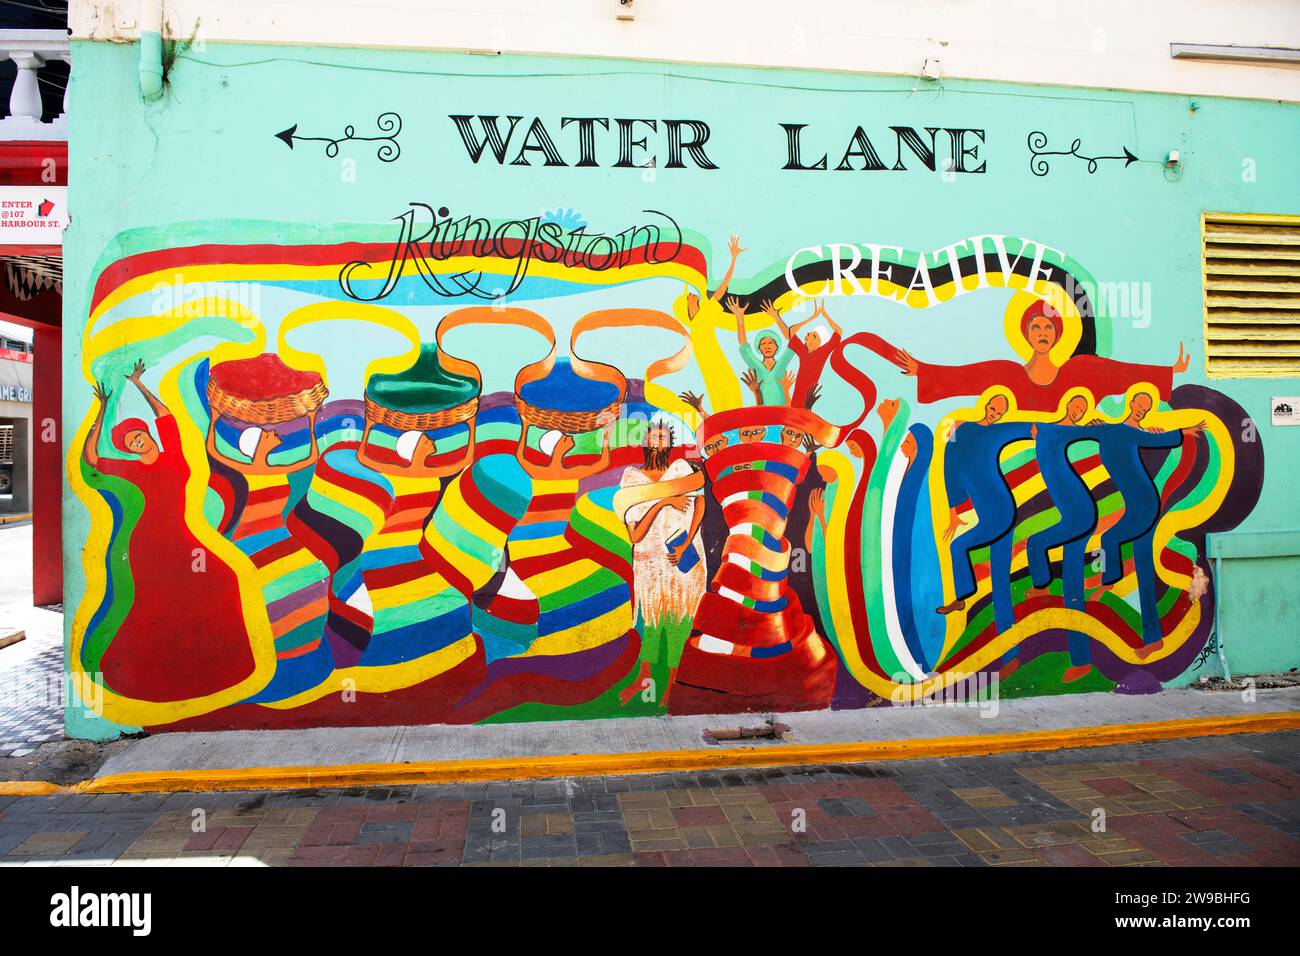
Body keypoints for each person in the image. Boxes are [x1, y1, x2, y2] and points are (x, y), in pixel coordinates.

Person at [81, 360, 257, 702]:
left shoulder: (172, 457)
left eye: (139, 435)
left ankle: (221, 669)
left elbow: (167, 419)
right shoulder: (130, 471)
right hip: (147, 544)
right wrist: (101, 411)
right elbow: (91, 461)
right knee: (153, 603)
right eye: (131, 441)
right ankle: (150, 679)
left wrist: (139, 385)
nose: (137, 442)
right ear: (127, 448)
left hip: (182, 538)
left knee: (223, 581)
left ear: (148, 434)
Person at [890, 299, 1190, 413]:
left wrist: (1169, 372)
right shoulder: (1008, 374)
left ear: (1058, 334)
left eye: (1049, 327)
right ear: (1026, 334)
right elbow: (967, 377)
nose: (1043, 332)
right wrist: (924, 371)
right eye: (1036, 327)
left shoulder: (1079, 371)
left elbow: (1121, 373)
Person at [616, 421, 707, 708]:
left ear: (669, 443)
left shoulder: (681, 470)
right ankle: (645, 679)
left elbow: (700, 504)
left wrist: (686, 542)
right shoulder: (632, 479)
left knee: (678, 622)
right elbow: (634, 534)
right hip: (648, 561)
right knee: (651, 622)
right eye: (653, 435)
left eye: (663, 437)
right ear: (644, 440)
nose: (657, 441)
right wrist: (663, 502)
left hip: (681, 559)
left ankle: (671, 686)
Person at [761, 298, 843, 408]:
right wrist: (811, 318)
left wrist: (824, 315)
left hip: (806, 404)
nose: (808, 336)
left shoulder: (822, 352)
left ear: (819, 342)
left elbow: (839, 331)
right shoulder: (803, 352)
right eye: (808, 334)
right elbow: (790, 333)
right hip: (795, 402)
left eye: (813, 335)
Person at [729, 295, 794, 405]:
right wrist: (739, 317)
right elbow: (744, 345)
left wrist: (776, 316)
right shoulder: (755, 365)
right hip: (762, 414)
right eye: (763, 343)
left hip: (783, 413)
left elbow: (793, 341)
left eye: (770, 343)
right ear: (759, 348)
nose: (767, 346)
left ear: (776, 346)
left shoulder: (782, 364)